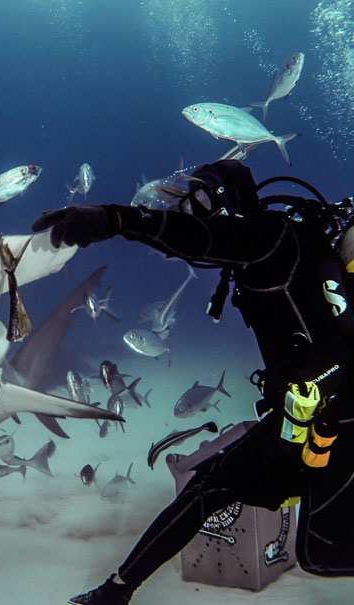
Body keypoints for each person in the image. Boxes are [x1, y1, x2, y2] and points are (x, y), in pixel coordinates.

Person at [31, 159, 354, 604]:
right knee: (209, 486)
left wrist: (115, 219)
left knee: (322, 554)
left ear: (226, 200)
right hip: (305, 412)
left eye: (199, 197)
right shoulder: (267, 248)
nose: (189, 207)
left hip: (341, 410)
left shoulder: (270, 236)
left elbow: (200, 239)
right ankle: (116, 592)